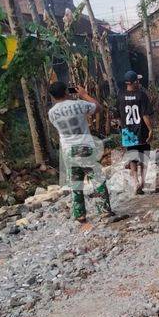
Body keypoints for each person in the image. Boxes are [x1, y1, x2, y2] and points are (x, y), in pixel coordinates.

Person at [47, 81, 114, 225]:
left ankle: (80, 215)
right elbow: (98, 107)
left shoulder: (51, 113)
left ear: (52, 96)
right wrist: (84, 94)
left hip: (67, 151)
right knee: (97, 180)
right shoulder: (79, 104)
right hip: (84, 147)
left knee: (76, 184)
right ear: (66, 91)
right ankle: (104, 212)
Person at [117, 71, 154, 195]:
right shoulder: (141, 95)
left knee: (133, 158)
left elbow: (118, 114)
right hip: (141, 131)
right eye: (138, 80)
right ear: (135, 82)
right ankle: (142, 183)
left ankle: (135, 182)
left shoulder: (120, 95)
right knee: (144, 158)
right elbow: (144, 114)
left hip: (128, 133)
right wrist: (151, 129)